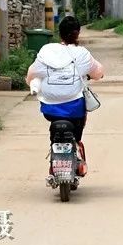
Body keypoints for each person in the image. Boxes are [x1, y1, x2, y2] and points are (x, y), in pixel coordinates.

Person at [26, 16, 104, 172]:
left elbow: (31, 75)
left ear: (59, 34)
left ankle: (54, 150)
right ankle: (76, 143)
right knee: (80, 114)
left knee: (56, 123)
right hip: (74, 108)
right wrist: (95, 76)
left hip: (49, 109)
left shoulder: (47, 51)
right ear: (77, 34)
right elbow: (98, 73)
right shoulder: (82, 54)